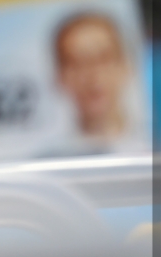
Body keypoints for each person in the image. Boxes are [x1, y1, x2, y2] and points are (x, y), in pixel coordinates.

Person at [53, 12, 144, 154]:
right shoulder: (49, 161)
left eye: (103, 59)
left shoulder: (152, 144)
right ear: (60, 77)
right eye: (77, 63)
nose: (93, 76)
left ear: (126, 66)